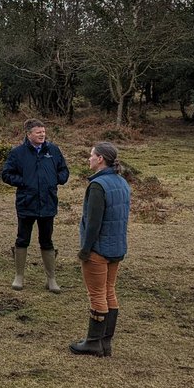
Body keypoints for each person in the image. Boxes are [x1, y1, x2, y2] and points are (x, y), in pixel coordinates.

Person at [69, 142, 131, 356]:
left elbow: (93, 223)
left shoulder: (97, 186)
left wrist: (85, 250)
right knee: (109, 291)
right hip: (117, 248)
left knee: (97, 294)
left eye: (92, 155)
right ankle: (105, 342)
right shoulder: (122, 182)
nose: (89, 158)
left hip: (99, 249)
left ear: (101, 159)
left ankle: (94, 342)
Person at [0, 119, 69, 292]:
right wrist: (24, 182)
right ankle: (19, 276)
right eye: (38, 132)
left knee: (46, 240)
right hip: (26, 203)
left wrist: (57, 179)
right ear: (29, 134)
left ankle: (51, 279)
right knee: (22, 238)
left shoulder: (53, 150)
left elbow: (64, 170)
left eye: (43, 132)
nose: (42, 135)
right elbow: (6, 174)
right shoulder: (17, 153)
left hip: (48, 203)